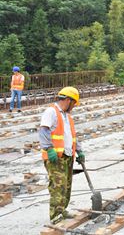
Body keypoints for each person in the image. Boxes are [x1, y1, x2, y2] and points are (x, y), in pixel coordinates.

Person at [39, 87, 84, 224]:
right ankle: (55, 215)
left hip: (68, 155)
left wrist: (79, 151)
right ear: (68, 100)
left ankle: (62, 209)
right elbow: (43, 131)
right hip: (55, 156)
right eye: (74, 103)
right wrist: (49, 148)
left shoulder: (67, 116)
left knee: (66, 185)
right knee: (58, 186)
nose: (74, 106)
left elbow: (72, 136)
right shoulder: (51, 111)